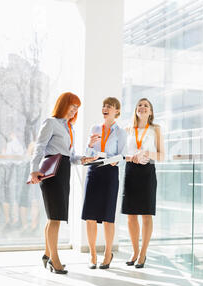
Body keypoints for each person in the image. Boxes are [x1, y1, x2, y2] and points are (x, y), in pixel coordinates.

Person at [28, 92, 95, 274]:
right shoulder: (51, 122)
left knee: (54, 216)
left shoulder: (69, 127)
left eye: (76, 108)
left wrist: (83, 159)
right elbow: (40, 147)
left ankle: (47, 254)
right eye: (72, 106)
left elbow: (69, 156)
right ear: (63, 105)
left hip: (64, 171)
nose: (74, 111)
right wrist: (34, 169)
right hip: (51, 173)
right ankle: (54, 259)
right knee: (55, 217)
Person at [81, 97, 127, 269]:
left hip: (109, 173)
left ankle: (108, 254)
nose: (105, 108)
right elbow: (87, 154)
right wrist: (89, 145)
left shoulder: (121, 133)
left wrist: (112, 159)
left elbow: (122, 156)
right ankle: (92, 254)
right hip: (94, 172)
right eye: (104, 106)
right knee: (90, 216)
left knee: (108, 217)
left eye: (109, 106)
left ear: (117, 111)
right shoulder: (95, 128)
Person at [121, 98, 164, 269]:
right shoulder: (128, 129)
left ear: (151, 112)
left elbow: (162, 155)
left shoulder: (156, 129)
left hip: (147, 172)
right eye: (139, 105)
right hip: (131, 171)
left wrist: (148, 152)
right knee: (131, 215)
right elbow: (123, 153)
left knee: (146, 214)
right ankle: (135, 251)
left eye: (146, 106)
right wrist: (131, 157)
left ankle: (143, 253)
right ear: (135, 110)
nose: (143, 107)